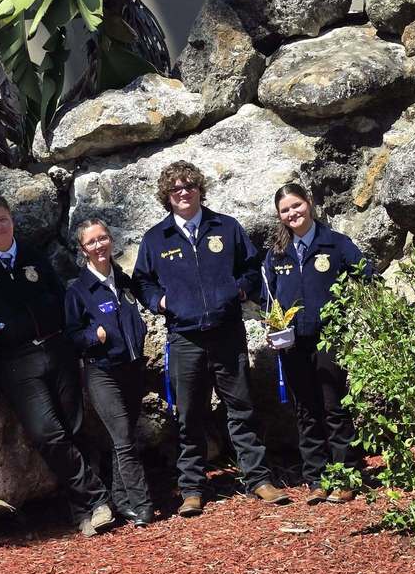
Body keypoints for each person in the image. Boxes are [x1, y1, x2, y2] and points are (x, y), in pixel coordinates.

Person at [0, 193, 114, 537]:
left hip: (58, 350)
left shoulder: (33, 257)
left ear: (12, 220)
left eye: (3, 219)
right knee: (47, 433)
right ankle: (98, 498)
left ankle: (84, 511)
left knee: (74, 427)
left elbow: (61, 296)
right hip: (16, 360)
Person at [133, 160, 289, 515]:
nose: (183, 192)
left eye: (189, 186)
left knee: (242, 409)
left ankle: (259, 480)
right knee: (189, 415)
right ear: (167, 197)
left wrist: (238, 290)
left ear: (200, 189)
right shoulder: (157, 238)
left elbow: (252, 267)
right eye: (175, 189)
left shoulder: (226, 227)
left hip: (227, 333)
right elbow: (142, 281)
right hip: (184, 338)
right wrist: (160, 301)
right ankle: (192, 488)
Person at [263, 182, 373, 503]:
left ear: (308, 204)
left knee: (333, 406)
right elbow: (267, 297)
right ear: (279, 216)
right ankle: (316, 477)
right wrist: (273, 327)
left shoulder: (335, 244)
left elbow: (366, 274)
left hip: (329, 341)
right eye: (285, 210)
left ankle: (346, 476)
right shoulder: (277, 253)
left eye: (296, 206)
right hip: (292, 343)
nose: (292, 213)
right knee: (306, 410)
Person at [65, 218, 154, 527]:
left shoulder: (124, 280)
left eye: (103, 238)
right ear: (82, 249)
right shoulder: (79, 291)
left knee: (123, 438)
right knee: (124, 439)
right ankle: (143, 506)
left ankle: (121, 499)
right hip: (102, 372)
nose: (99, 245)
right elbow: (72, 337)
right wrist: (94, 337)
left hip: (132, 368)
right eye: (91, 242)